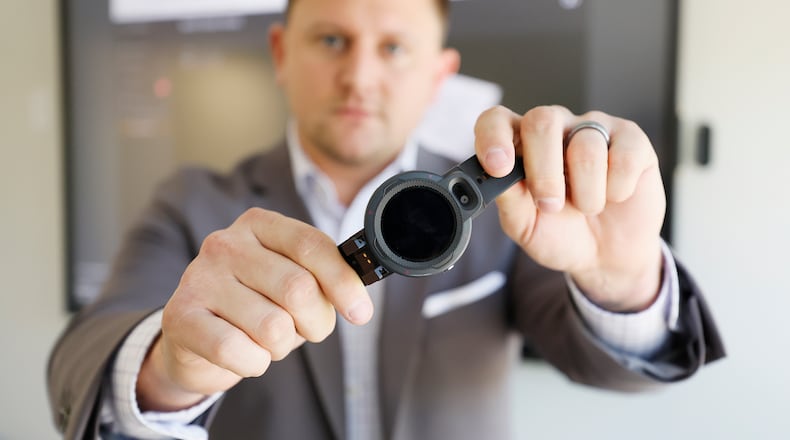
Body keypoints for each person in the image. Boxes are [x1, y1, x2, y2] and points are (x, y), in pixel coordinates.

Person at [48, 0, 725, 438]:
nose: (360, 78)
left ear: (440, 72)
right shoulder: (192, 205)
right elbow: (82, 356)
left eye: (395, 48)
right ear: (283, 54)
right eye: (333, 40)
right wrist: (166, 368)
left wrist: (624, 276)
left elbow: (618, 370)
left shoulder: (518, 210)